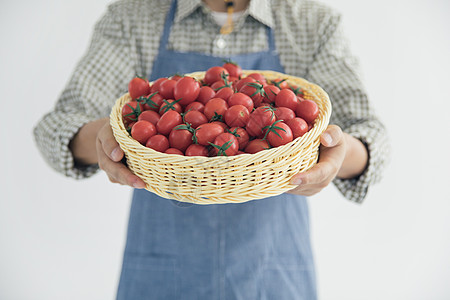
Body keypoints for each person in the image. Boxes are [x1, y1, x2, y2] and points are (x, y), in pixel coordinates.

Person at [34, 0, 390, 299]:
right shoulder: (135, 16)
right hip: (160, 271)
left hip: (273, 271)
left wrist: (337, 154)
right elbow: (56, 127)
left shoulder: (309, 20)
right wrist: (104, 134)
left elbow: (370, 137)